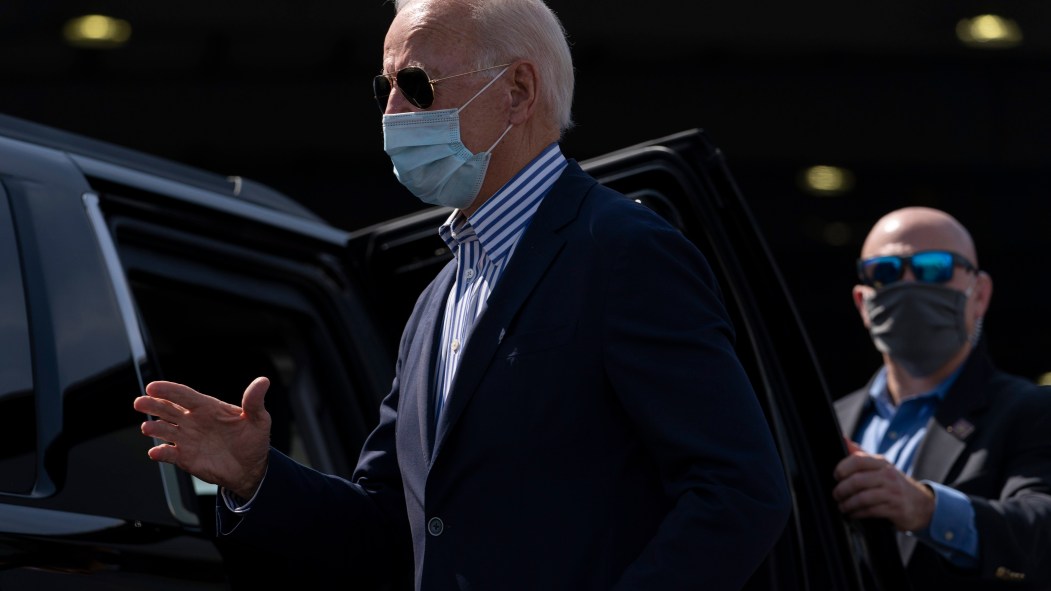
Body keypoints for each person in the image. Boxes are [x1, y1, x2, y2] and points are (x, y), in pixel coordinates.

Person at [133, 0, 791, 589]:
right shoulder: (436, 301)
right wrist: (257, 476)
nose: (392, 113)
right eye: (384, 88)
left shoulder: (622, 251)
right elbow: (391, 524)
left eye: (417, 85)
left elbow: (738, 491)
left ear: (518, 91)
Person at [832, 206, 1051, 590]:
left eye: (934, 268)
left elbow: (1041, 534)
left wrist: (927, 509)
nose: (908, 284)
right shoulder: (829, 420)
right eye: (885, 271)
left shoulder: (1030, 411)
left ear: (979, 295)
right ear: (862, 303)